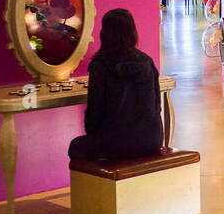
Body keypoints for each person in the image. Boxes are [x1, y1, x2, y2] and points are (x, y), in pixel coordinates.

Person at [68, 8, 164, 162]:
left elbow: (94, 112)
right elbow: (156, 106)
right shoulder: (147, 61)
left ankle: (96, 185)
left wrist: (96, 134)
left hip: (117, 143)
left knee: (76, 146)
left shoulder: (100, 66)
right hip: (152, 140)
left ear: (104, 33)